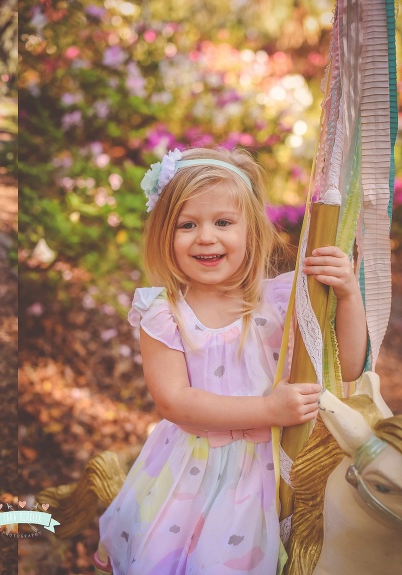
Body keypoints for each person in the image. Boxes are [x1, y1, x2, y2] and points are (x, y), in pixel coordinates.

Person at [97, 148, 367, 574]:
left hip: (281, 465)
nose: (206, 237)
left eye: (223, 222)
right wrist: (267, 410)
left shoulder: (284, 298)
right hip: (200, 474)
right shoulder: (165, 313)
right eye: (188, 225)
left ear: (252, 230)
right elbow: (173, 401)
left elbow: (347, 366)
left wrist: (348, 296)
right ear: (165, 236)